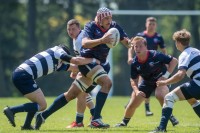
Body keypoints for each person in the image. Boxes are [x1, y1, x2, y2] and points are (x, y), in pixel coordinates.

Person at [34, 7, 131, 130]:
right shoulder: (90, 26)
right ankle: (95, 119)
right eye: (106, 18)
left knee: (71, 94)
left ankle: (42, 116)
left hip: (97, 65)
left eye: (110, 17)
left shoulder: (114, 26)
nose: (109, 20)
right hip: (89, 63)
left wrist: (132, 44)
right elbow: (85, 43)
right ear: (100, 18)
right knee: (107, 83)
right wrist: (102, 40)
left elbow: (125, 41)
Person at [3, 44, 99, 130]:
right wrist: (92, 60)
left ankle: (27, 125)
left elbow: (74, 67)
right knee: (42, 105)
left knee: (36, 103)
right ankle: (12, 110)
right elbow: (74, 60)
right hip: (24, 75)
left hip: (21, 74)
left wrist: (91, 68)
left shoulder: (58, 63)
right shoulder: (58, 50)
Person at [115, 36, 178, 128]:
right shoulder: (134, 63)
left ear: (146, 47)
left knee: (160, 95)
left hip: (161, 80)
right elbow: (133, 80)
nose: (138, 48)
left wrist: (165, 77)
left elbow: (174, 61)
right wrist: (136, 91)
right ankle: (124, 122)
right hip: (147, 82)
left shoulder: (155, 55)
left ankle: (170, 115)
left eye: (140, 46)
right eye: (136, 46)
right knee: (132, 104)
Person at [150, 29, 200, 132]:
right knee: (191, 99)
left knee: (169, 97)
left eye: (175, 42)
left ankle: (161, 128)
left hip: (198, 83)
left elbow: (180, 75)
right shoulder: (196, 51)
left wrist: (165, 82)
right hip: (197, 83)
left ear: (178, 42)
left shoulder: (185, 54)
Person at [127, 17, 167, 117]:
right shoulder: (140, 36)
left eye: (153, 24)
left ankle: (144, 107)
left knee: (146, 86)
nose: (151, 25)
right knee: (141, 85)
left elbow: (163, 50)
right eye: (150, 23)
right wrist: (130, 57)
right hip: (141, 64)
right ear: (146, 24)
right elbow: (131, 48)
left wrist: (165, 62)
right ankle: (145, 107)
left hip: (154, 65)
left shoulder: (158, 37)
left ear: (156, 25)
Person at [65, 19, 96, 128]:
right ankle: (95, 116)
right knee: (84, 93)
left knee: (79, 92)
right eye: (69, 29)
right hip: (90, 68)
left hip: (93, 69)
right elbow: (81, 58)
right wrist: (76, 70)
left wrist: (75, 70)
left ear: (79, 28)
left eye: (73, 29)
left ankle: (79, 122)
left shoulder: (80, 40)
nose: (71, 31)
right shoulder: (76, 38)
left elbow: (85, 59)